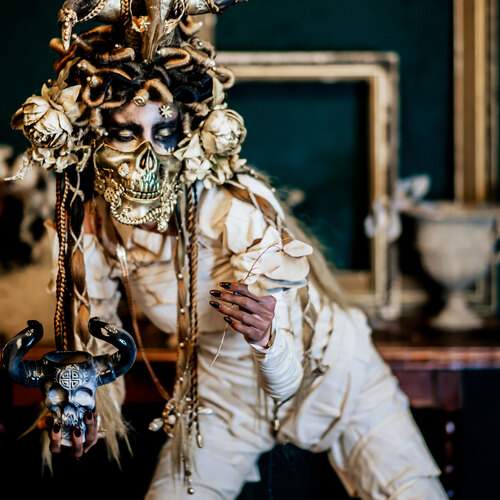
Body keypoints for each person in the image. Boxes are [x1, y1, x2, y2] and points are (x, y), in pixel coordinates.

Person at [10, 1, 448, 498]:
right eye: (125, 134)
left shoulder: (234, 208)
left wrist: (266, 333)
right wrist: (85, 408)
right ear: (93, 138)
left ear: (187, 136)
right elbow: (97, 343)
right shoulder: (93, 228)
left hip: (340, 379)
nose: (145, 158)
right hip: (221, 401)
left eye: (164, 133)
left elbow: (286, 380)